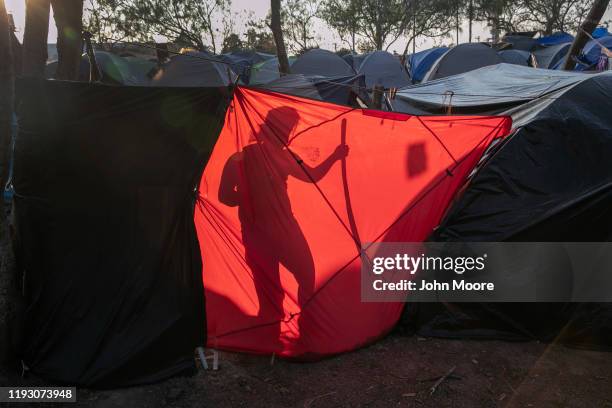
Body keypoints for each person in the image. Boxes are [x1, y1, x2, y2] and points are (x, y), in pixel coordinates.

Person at [218, 106, 348, 347]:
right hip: (274, 231)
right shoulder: (262, 157)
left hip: (263, 230)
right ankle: (281, 334)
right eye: (287, 129)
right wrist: (335, 156)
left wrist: (335, 155)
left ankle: (290, 332)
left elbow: (225, 197)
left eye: (290, 129)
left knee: (275, 282)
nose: (289, 134)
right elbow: (313, 176)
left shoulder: (247, 157)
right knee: (286, 280)